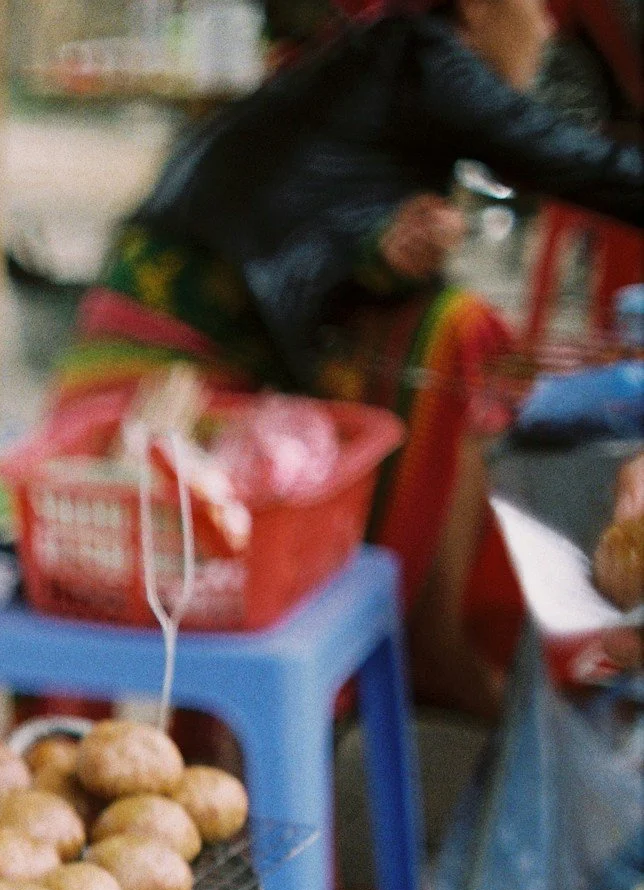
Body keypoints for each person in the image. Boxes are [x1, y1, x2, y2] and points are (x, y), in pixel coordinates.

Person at [56, 0, 641, 719]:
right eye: (538, 8)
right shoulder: (429, 56)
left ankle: (400, 656)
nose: (550, 30)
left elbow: (305, 218)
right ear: (483, 6)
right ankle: (425, 644)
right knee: (463, 334)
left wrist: (385, 254)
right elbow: (576, 160)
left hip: (163, 315)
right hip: (163, 345)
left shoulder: (376, 60)